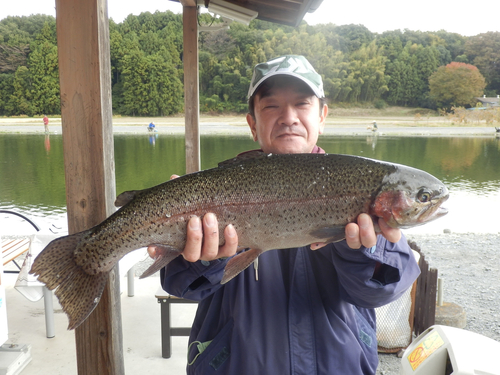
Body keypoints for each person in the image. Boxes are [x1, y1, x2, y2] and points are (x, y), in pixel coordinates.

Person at [150, 55, 420, 375]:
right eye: (271, 106)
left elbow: (381, 291)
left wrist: (363, 249)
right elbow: (182, 285)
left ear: (322, 116)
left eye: (302, 104)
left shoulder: (361, 185)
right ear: (252, 123)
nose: (288, 117)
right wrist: (205, 258)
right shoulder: (218, 189)